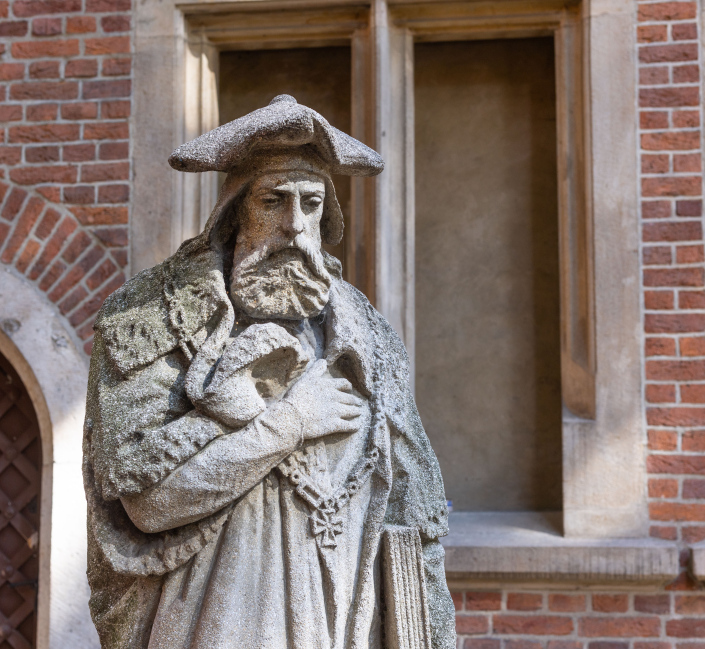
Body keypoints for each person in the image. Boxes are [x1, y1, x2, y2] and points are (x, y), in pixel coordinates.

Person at [83, 95, 455, 649]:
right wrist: (287, 423)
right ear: (235, 212)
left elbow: (412, 515)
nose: (293, 225)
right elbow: (150, 503)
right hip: (212, 622)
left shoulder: (366, 336)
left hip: (340, 623)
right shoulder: (154, 318)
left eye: (311, 203)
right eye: (273, 200)